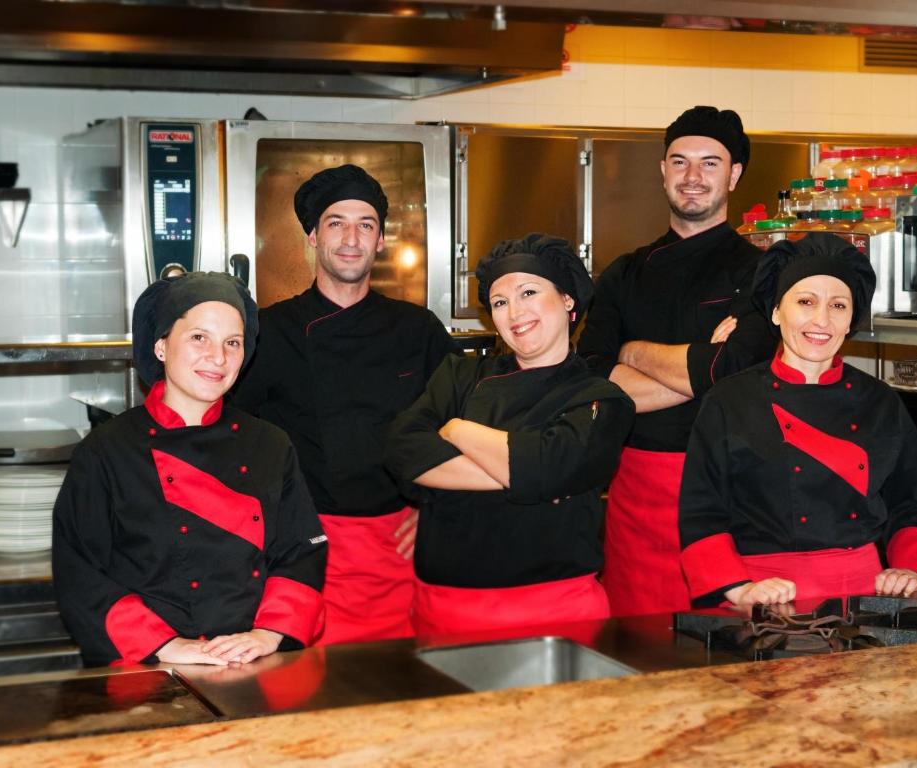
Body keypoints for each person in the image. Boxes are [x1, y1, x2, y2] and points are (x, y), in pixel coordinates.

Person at [232, 165, 460, 645]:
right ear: (313, 237)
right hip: (306, 549)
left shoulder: (418, 330)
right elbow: (230, 439)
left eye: (365, 225)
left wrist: (436, 505)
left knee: (401, 676)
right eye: (336, 223)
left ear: (381, 240)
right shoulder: (270, 333)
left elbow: (462, 422)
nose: (351, 239)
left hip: (398, 550)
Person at [53, 272, 327, 668]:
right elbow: (79, 571)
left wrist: (268, 634)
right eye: (200, 337)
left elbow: (300, 551)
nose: (218, 357)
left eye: (232, 343)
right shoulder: (106, 451)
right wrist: (165, 646)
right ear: (161, 346)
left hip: (247, 665)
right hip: (145, 667)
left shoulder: (270, 444)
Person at [577, 105, 775, 617]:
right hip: (636, 494)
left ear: (733, 175)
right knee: (633, 647)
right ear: (662, 170)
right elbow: (593, 381)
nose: (692, 176)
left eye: (710, 163)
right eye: (680, 161)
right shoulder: (623, 273)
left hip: (727, 492)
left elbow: (734, 370)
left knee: (726, 647)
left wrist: (631, 352)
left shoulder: (761, 274)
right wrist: (702, 368)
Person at [385, 234, 635, 637]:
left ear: (567, 299)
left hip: (556, 614)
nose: (515, 312)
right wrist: (525, 472)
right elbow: (402, 447)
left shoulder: (602, 398)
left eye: (529, 292)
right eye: (500, 302)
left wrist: (457, 429)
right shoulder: (460, 375)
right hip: (444, 610)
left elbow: (550, 468)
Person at [680, 233, 917, 608]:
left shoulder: (880, 401)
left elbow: (916, 501)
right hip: (762, 597)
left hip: (864, 595)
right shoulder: (729, 401)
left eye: (838, 305)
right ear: (776, 311)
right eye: (806, 301)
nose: (822, 320)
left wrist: (910, 568)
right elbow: (701, 513)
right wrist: (740, 589)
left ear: (850, 319)